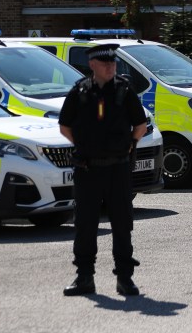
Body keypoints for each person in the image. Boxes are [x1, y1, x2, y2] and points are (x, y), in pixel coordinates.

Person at [58, 43, 148, 297]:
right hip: (87, 169)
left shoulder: (124, 90)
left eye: (113, 63)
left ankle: (125, 278)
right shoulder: (80, 91)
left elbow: (139, 125)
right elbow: (65, 126)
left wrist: (130, 145)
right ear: (92, 65)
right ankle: (84, 277)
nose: (111, 67)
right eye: (105, 64)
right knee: (85, 224)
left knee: (122, 223)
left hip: (118, 168)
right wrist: (84, 146)